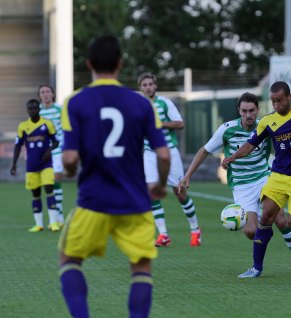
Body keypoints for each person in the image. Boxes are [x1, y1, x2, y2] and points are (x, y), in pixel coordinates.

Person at [59, 35, 170, 318]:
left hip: (93, 200)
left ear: (89, 64)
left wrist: (69, 172)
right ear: (121, 64)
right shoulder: (142, 103)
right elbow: (164, 154)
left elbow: (70, 159)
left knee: (69, 259)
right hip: (134, 201)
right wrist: (158, 185)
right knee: (141, 268)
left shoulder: (75, 101)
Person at [178, 92, 291, 273]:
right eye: (244, 111)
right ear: (239, 111)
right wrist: (187, 175)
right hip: (241, 186)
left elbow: (288, 139)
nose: (248, 115)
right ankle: (265, 233)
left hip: (265, 178)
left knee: (281, 220)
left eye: (252, 111)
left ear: (257, 110)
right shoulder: (227, 129)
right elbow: (204, 150)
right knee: (250, 231)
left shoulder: (266, 125)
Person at [222, 81, 291, 278]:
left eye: (279, 101)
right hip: (278, 176)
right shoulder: (267, 121)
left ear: (289, 97)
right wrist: (233, 157)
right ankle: (256, 268)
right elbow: (250, 145)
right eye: (273, 102)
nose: (276, 105)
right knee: (265, 217)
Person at [138, 72, 201, 247]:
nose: (148, 87)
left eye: (151, 84)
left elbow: (180, 123)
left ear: (155, 86)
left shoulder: (165, 103)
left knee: (180, 193)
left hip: (169, 152)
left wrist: (162, 124)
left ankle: (195, 229)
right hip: (150, 154)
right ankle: (163, 235)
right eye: (145, 85)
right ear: (141, 88)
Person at [10, 99, 60, 232]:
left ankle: (53, 222)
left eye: (34, 108)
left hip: (46, 164)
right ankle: (38, 224)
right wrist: (14, 164)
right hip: (31, 165)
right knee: (35, 193)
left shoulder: (47, 123)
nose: (32, 110)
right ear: (27, 110)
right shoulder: (23, 126)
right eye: (29, 108)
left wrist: (49, 150)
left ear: (39, 109)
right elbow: (18, 146)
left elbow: (56, 141)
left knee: (49, 189)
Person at [38, 84, 65, 226]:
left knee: (56, 179)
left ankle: (58, 215)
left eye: (48, 91)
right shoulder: (38, 112)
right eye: (42, 92)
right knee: (48, 184)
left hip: (58, 149)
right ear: (39, 96)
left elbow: (67, 127)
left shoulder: (60, 109)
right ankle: (55, 215)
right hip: (43, 152)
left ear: (53, 94)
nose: (46, 94)